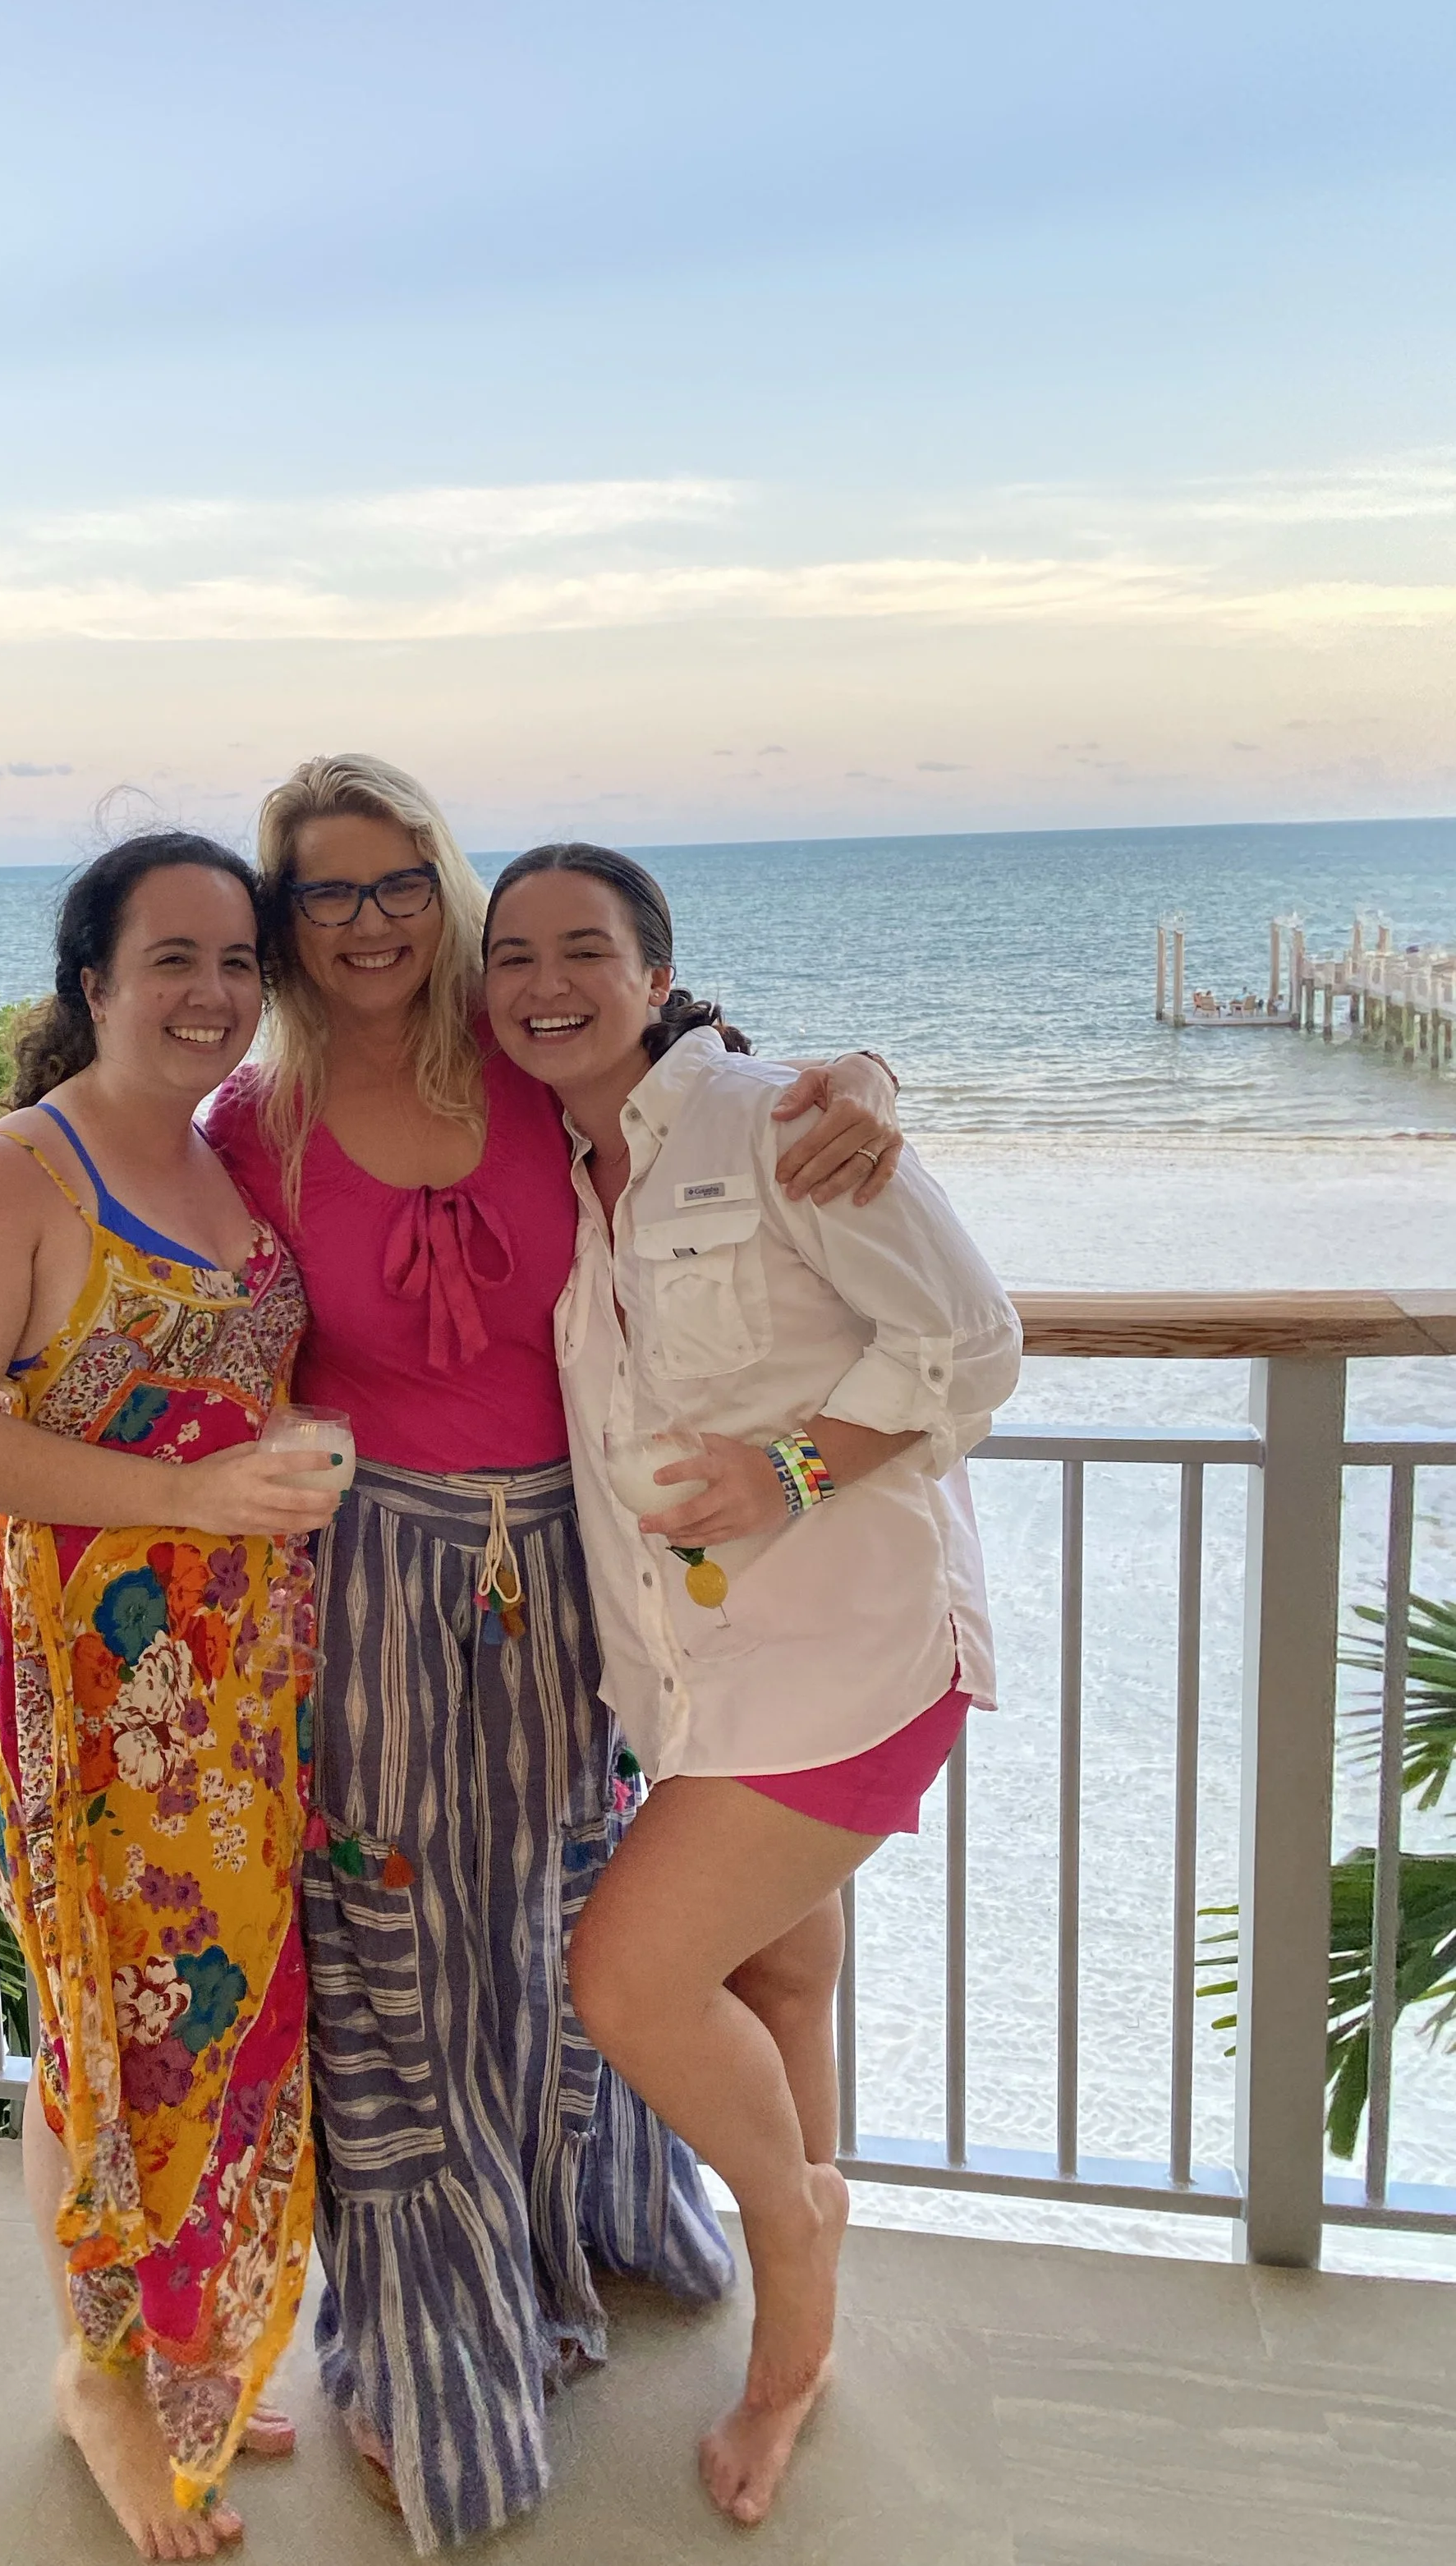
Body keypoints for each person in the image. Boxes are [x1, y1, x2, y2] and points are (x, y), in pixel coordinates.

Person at [203, 755, 908, 2551]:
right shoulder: (247, 1125)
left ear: (440, 894)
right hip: (375, 1580)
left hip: (581, 1584)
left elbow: (729, 1097)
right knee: (397, 1949)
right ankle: (435, 2325)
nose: (364, 925)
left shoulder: (527, 1067)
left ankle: (588, 2221)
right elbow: (99, 1207)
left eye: (394, 887)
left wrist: (869, 1089)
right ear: (282, 923)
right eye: (321, 895)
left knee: (554, 1914)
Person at [480, 841, 1021, 2530]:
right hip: (695, 1675)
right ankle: (801, 2325)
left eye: (584, 947)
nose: (545, 981)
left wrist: (786, 1463)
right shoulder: (552, 1160)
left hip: (847, 1655)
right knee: (776, 1977)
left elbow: (974, 1341)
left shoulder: (780, 1117)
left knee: (628, 1979)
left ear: (655, 972)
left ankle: (793, 2232)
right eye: (511, 956)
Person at [0, 832, 347, 2562]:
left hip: (230, 1691)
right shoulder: (18, 1173)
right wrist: (198, 1500)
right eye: (172, 958)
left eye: (238, 961)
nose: (213, 993)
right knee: (104, 2029)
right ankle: (96, 2372)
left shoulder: (228, 1155)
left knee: (217, 2019)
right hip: (75, 1690)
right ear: (91, 978)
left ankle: (176, 2348)